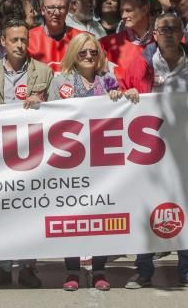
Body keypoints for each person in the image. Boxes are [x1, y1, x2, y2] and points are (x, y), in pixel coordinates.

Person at [118, 12, 188, 291]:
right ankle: (143, 270)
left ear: (182, 33)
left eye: (174, 28)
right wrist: (127, 96)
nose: (169, 33)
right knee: (145, 207)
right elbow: (123, 98)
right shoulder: (140, 64)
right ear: (155, 34)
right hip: (149, 152)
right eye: (163, 29)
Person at [0, 18, 53, 289]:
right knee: (1, 211)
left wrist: (43, 103)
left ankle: (28, 267)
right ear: (3, 42)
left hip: (33, 154)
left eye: (24, 39)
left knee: (29, 211)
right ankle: (2, 266)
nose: (20, 44)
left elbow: (60, 113)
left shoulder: (44, 73)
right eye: (14, 40)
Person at [47, 33, 125, 291]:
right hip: (70, 159)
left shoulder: (109, 80)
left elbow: (126, 107)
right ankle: (72, 271)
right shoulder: (60, 82)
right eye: (83, 53)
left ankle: (100, 270)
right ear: (74, 55)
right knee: (72, 214)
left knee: (102, 213)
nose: (89, 56)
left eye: (93, 52)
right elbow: (48, 117)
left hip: (102, 161)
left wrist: (128, 95)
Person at [28, 0, 80, 72]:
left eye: (61, 8)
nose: (56, 12)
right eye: (51, 7)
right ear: (42, 9)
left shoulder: (80, 38)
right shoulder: (29, 39)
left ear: (67, 10)